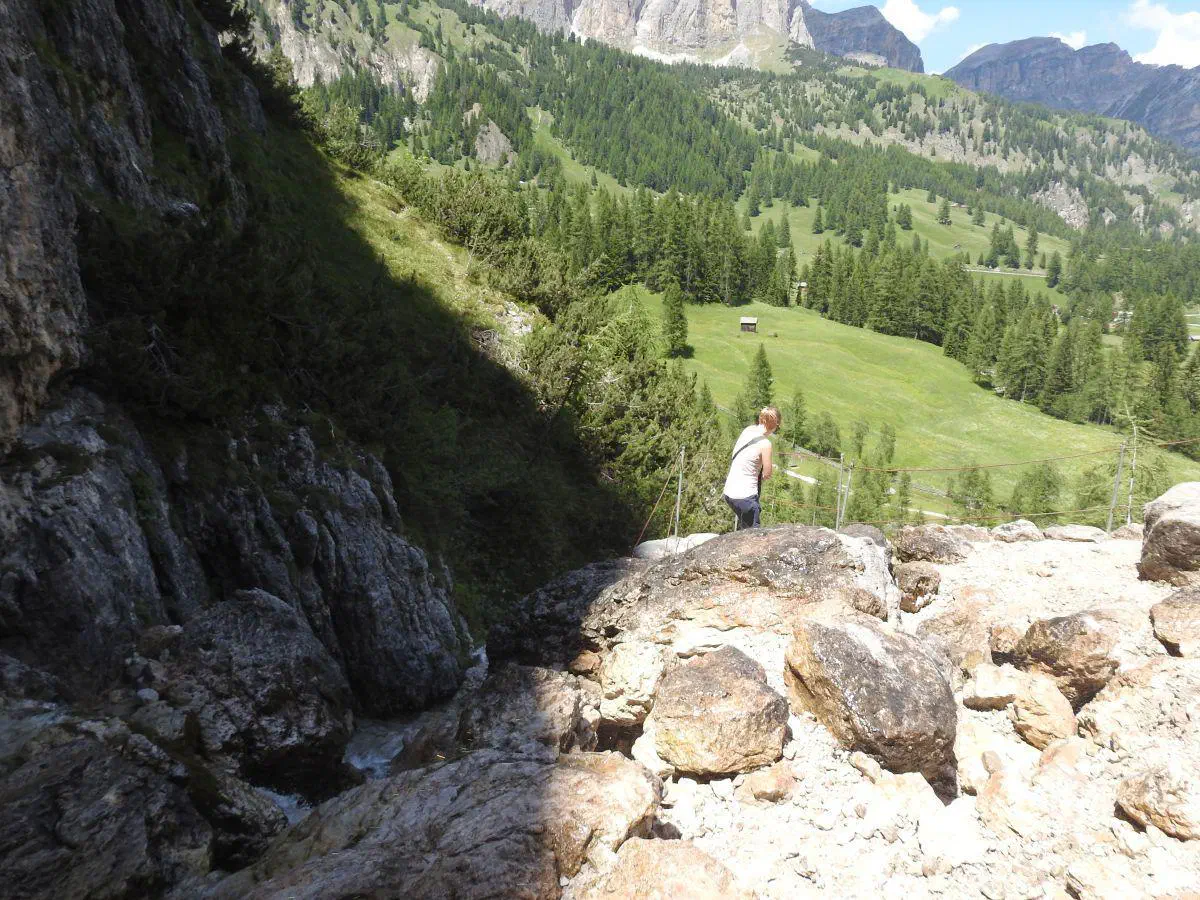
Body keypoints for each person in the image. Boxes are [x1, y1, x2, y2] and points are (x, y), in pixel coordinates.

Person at [723, 406, 780, 530]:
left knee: (744, 526)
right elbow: (767, 474)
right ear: (775, 425)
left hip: (729, 492)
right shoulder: (765, 444)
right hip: (746, 497)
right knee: (753, 534)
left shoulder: (748, 430)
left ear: (760, 419)